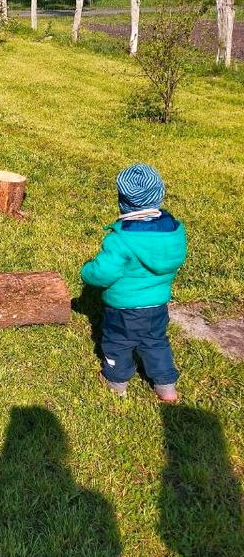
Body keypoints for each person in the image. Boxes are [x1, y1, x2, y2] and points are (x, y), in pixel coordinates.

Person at [81, 163, 187, 403]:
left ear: (123, 201)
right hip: (157, 305)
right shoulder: (173, 232)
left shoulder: (121, 239)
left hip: (123, 309)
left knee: (117, 342)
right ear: (159, 195)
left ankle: (116, 381)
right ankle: (167, 387)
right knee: (156, 342)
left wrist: (87, 271)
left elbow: (103, 273)